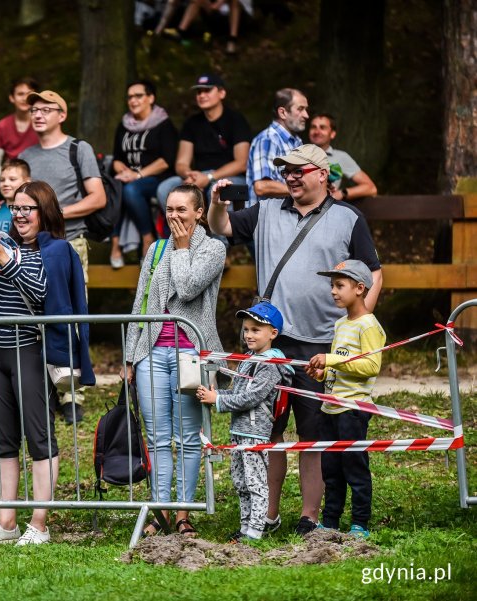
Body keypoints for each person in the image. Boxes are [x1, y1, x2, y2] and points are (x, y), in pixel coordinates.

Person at [208, 144, 383, 537]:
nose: (290, 176)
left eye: (298, 170)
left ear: (321, 173)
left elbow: (373, 272)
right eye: (285, 170)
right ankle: (266, 516)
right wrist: (218, 203)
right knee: (266, 431)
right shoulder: (267, 209)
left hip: (320, 345)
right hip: (270, 342)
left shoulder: (348, 218)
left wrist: (357, 322)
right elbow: (222, 228)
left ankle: (309, 517)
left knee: (312, 434)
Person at [0, 181, 94, 545]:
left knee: (39, 437)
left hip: (31, 352)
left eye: (28, 209)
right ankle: (7, 523)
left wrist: (6, 262)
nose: (20, 215)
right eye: (16, 208)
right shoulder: (0, 245)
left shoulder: (56, 251)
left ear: (44, 212)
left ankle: (39, 523)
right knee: (2, 439)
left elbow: (43, 293)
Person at [123, 184, 226, 537]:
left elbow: (187, 289)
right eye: (169, 209)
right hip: (151, 353)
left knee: (187, 437)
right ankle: (160, 511)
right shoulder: (155, 249)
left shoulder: (213, 249)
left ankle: (184, 513)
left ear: (199, 212)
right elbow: (141, 302)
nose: (174, 216)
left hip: (190, 354)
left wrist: (182, 249)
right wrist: (129, 355)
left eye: (182, 209)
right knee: (157, 438)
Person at [197, 302, 294, 541]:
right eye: (247, 329)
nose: (249, 335)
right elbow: (237, 391)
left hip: (255, 432)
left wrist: (218, 401)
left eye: (256, 330)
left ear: (273, 334)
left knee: (255, 484)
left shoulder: (270, 365)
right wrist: (217, 395)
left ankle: (256, 532)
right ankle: (245, 528)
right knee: (241, 482)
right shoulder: (248, 358)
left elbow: (252, 397)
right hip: (238, 430)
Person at [306, 260, 385, 538]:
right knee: (331, 468)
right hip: (330, 407)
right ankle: (330, 523)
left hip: (353, 409)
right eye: (332, 286)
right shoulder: (340, 324)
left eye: (339, 285)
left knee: (354, 467)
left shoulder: (369, 326)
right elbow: (340, 365)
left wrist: (332, 360)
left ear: (360, 288)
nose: (333, 292)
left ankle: (360, 524)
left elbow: (370, 366)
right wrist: (323, 372)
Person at [19, 90, 105, 286]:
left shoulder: (79, 149)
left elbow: (98, 197)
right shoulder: (25, 156)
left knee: (71, 310)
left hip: (70, 241)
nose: (38, 115)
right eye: (34, 110)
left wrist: (55, 213)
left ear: (62, 116)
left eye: (46, 110)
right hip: (31, 244)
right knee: (35, 312)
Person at [155, 74, 251, 236]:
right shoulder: (192, 123)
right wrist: (189, 175)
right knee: (165, 188)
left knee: (219, 190)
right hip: (199, 176)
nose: (202, 95)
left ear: (222, 93)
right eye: (199, 92)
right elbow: (181, 162)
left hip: (230, 177)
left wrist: (209, 177)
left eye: (207, 90)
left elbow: (241, 162)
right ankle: (185, 239)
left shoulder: (236, 120)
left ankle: (220, 250)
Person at [109, 79, 178, 268]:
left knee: (131, 190)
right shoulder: (124, 125)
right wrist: (122, 170)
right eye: (130, 97)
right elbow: (116, 158)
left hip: (155, 179)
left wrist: (137, 175)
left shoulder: (163, 124)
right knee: (112, 188)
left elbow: (166, 161)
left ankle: (147, 239)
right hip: (129, 177)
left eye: (138, 96)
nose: (133, 100)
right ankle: (115, 245)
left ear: (151, 98)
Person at [0, 77, 40, 210]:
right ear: (12, 98)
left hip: (36, 178)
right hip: (9, 178)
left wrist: (25, 179)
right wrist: (9, 177)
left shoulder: (41, 123)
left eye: (29, 94)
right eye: (20, 94)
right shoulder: (3, 125)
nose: (25, 98)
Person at [246, 88, 308, 206]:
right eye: (300, 109)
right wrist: (305, 190)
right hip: (264, 220)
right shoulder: (268, 139)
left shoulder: (297, 141)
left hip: (289, 215)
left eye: (306, 109)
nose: (306, 115)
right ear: (282, 113)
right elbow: (262, 187)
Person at [307, 113, 378, 202]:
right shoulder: (298, 153)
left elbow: (371, 188)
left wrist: (342, 193)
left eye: (322, 127)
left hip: (325, 210)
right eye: (313, 127)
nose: (317, 132)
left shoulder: (341, 157)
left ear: (332, 134)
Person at [155, 0, 252, 54]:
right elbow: (213, 7)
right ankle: (180, 32)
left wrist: (219, 3)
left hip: (240, 19)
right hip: (218, 17)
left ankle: (232, 41)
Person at [0, 158, 31, 238]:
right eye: (2, 180)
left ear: (27, 182)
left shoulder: (37, 212)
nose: (5, 183)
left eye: (12, 179)